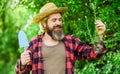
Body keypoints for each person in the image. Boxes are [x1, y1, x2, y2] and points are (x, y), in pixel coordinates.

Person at [15, 2, 106, 74]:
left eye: (60, 19)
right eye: (54, 20)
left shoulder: (71, 42)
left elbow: (94, 54)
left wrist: (100, 36)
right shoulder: (33, 44)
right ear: (44, 23)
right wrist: (22, 65)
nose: (58, 23)